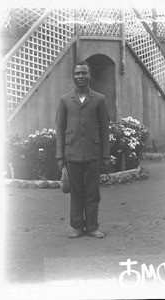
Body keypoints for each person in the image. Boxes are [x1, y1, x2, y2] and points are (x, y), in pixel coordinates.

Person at [56, 61, 110, 238]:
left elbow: (104, 129)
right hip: (72, 154)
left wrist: (105, 155)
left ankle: (92, 227)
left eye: (84, 73)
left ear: (90, 75)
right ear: (73, 76)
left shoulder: (99, 99)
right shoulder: (65, 100)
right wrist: (59, 155)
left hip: (93, 153)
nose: (80, 76)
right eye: (77, 73)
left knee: (93, 193)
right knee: (76, 193)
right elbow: (60, 129)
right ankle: (78, 227)